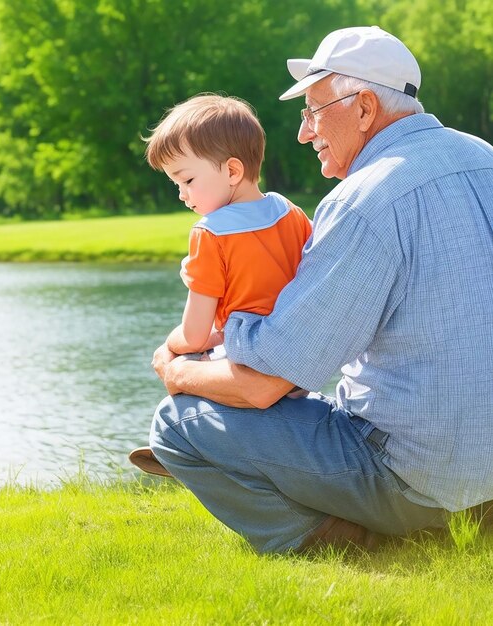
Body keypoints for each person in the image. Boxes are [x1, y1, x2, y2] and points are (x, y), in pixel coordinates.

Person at [144, 26, 493, 553]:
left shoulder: (364, 200)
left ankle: (345, 542)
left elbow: (265, 383)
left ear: (364, 107)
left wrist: (177, 370)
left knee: (177, 423)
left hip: (422, 484)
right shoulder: (484, 158)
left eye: (313, 111)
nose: (305, 132)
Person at [129, 94, 312, 475]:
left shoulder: (210, 234)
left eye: (187, 180)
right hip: (297, 362)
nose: (182, 194)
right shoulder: (290, 212)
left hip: (244, 362)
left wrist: (170, 346)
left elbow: (195, 334)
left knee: (183, 363)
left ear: (232, 171)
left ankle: (192, 450)